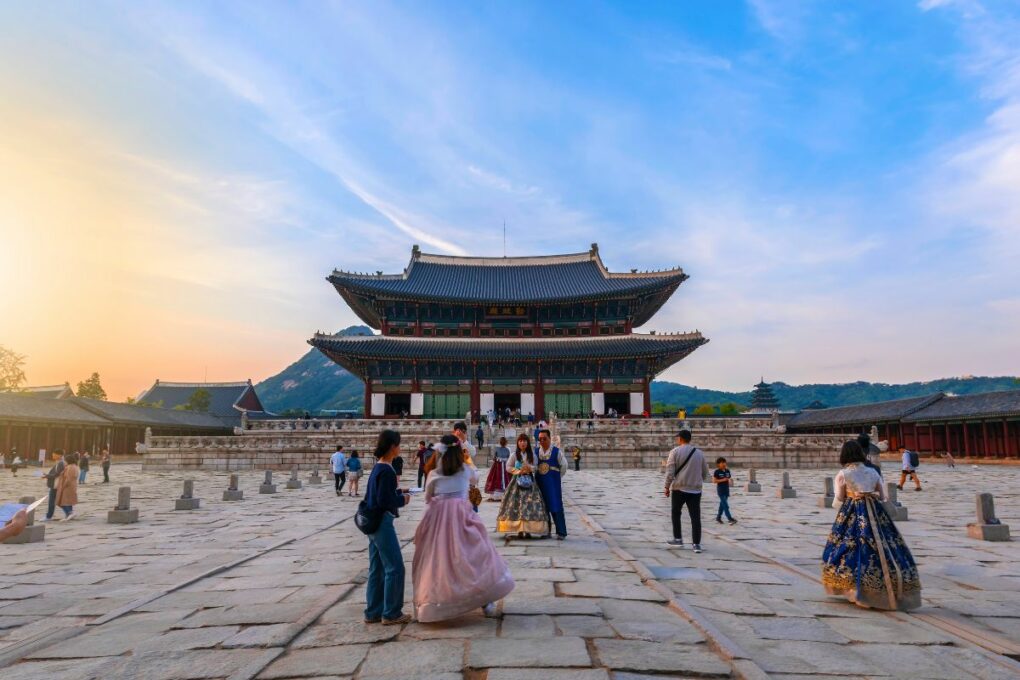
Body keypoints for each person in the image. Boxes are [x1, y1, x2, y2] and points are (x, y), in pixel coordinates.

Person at [413, 434, 514, 621]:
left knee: (440, 563)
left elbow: (428, 499)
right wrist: (468, 460)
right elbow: (476, 479)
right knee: (476, 556)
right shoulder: (465, 471)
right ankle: (485, 601)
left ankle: (440, 602)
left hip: (439, 523)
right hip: (463, 519)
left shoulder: (434, 475)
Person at [822, 440, 921, 610]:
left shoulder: (843, 474)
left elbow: (838, 500)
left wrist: (845, 504)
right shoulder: (873, 472)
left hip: (852, 512)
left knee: (846, 548)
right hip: (875, 513)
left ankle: (853, 589)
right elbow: (883, 497)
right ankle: (884, 589)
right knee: (884, 549)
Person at [363, 430, 412, 625]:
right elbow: (385, 499)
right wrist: (403, 499)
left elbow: (375, 494)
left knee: (377, 568)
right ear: (392, 446)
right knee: (395, 568)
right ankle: (391, 612)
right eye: (398, 444)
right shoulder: (387, 470)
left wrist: (399, 490)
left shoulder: (378, 467)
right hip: (382, 522)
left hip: (372, 522)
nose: (399, 448)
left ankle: (373, 611)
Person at [664, 429, 709, 553]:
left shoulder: (675, 452)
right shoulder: (699, 453)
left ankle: (678, 538)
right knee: (695, 517)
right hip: (695, 490)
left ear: (680, 439)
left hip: (679, 488)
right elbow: (705, 472)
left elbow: (670, 472)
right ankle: (696, 544)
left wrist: (667, 487)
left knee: (676, 513)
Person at [497, 434, 548, 538]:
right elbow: (508, 466)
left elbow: (536, 466)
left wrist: (530, 468)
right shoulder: (514, 455)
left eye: (524, 441)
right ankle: (519, 530)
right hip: (517, 482)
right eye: (520, 441)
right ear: (518, 443)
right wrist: (518, 471)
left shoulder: (532, 455)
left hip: (529, 482)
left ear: (527, 443)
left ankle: (528, 529)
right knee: (516, 505)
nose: (522, 443)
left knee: (529, 505)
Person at [535, 429, 568, 540]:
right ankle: (545, 531)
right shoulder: (536, 452)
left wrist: (556, 477)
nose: (542, 441)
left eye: (544, 438)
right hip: (540, 483)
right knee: (542, 507)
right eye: (540, 439)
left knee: (556, 505)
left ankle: (561, 532)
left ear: (549, 438)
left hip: (553, 484)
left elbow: (564, 466)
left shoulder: (556, 452)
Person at [484, 436, 512, 501]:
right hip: (505, 466)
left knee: (495, 478)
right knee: (506, 478)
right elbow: (509, 458)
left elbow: (494, 458)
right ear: (506, 443)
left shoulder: (497, 449)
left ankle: (496, 495)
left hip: (497, 466)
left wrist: (498, 459)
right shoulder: (507, 450)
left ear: (499, 442)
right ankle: (505, 494)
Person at [55, 451, 80, 521]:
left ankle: (69, 513)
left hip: (67, 487)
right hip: (72, 486)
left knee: (63, 502)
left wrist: (63, 486)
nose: (64, 462)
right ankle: (68, 515)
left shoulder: (70, 467)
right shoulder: (74, 466)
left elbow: (68, 479)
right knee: (68, 502)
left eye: (65, 461)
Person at [712, 457, 736, 525]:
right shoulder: (717, 472)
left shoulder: (727, 471)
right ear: (718, 464)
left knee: (722, 505)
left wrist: (730, 481)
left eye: (724, 462)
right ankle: (729, 518)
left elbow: (729, 478)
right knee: (725, 505)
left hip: (726, 489)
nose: (723, 464)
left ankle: (718, 517)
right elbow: (714, 481)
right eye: (722, 463)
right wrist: (723, 480)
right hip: (721, 490)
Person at [43, 450, 66, 521]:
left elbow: (57, 474)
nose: (53, 456)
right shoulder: (60, 462)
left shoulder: (61, 463)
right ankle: (69, 512)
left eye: (54, 455)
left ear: (59, 455)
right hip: (56, 484)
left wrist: (47, 476)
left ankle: (49, 516)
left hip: (56, 484)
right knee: (56, 500)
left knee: (52, 501)